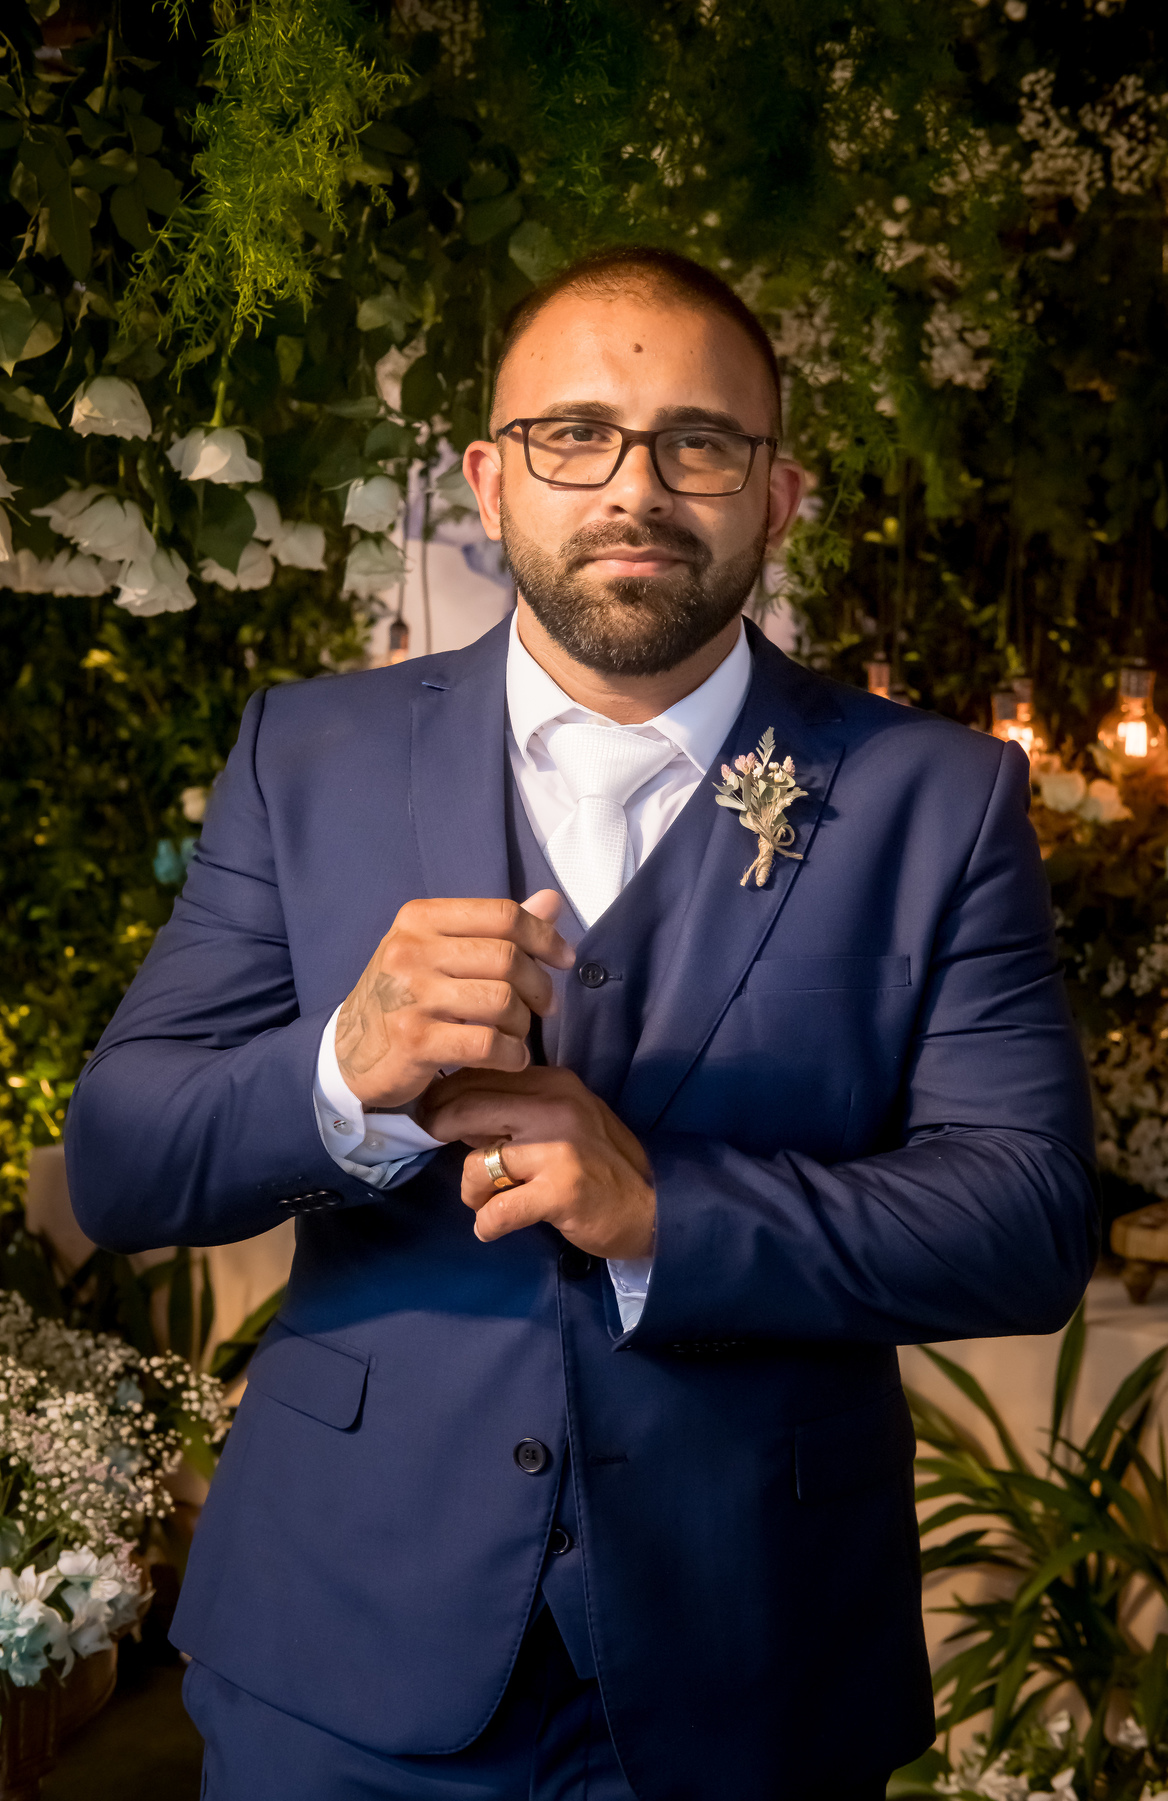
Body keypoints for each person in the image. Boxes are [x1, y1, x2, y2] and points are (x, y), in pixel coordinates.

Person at [64, 246, 1097, 1801]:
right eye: (576, 436)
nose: (637, 486)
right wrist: (347, 1074)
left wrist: (670, 1212)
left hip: (751, 1656)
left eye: (700, 441)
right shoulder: (309, 753)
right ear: (491, 479)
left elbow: (1024, 1220)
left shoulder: (935, 798)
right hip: (343, 1652)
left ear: (778, 492)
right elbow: (124, 1159)